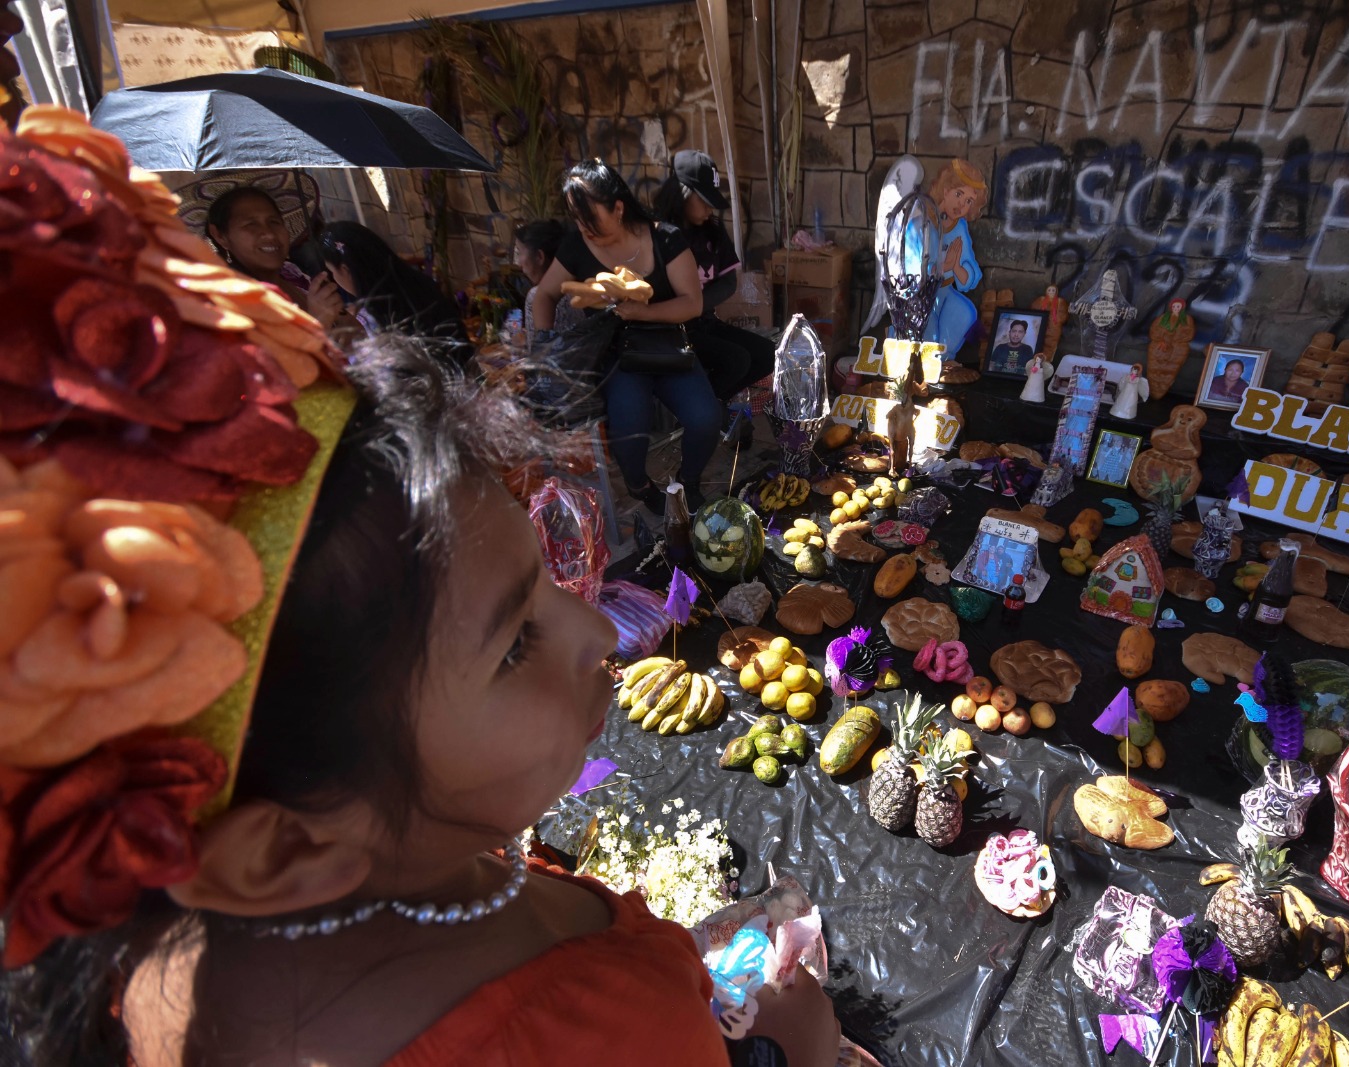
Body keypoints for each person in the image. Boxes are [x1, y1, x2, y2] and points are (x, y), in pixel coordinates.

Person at [2, 107, 847, 1067]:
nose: (600, 632)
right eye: (514, 640)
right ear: (282, 853)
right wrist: (802, 1048)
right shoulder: (610, 1013)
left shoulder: (149, 979)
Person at [530, 160, 721, 513]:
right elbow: (543, 295)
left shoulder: (665, 237)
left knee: (706, 418)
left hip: (667, 347)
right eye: (576, 218)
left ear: (618, 208)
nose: (584, 228)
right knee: (628, 431)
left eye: (591, 218)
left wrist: (643, 312)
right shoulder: (576, 246)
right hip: (618, 355)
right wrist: (543, 344)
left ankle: (689, 480)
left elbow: (692, 304)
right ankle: (640, 486)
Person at [654, 149, 775, 440]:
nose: (710, 208)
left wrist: (696, 305)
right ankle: (704, 411)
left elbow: (728, 282)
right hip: (669, 330)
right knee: (736, 360)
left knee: (766, 353)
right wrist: (683, 310)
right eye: (704, 200)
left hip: (703, 320)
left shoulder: (712, 231)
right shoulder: (658, 235)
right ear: (683, 193)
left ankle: (708, 405)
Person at [318, 220, 472, 365]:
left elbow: (372, 375)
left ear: (346, 270)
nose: (334, 278)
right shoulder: (420, 283)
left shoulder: (370, 317)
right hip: (463, 376)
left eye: (332, 271)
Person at [204, 185, 346, 331]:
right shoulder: (228, 301)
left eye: (274, 222)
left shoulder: (292, 274)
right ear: (220, 235)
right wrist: (319, 323)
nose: (269, 234)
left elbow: (353, 330)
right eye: (251, 224)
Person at [923, 160, 987, 355]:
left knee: (965, 312)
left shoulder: (959, 227)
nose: (962, 205)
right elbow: (910, 267)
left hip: (946, 291)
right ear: (944, 190)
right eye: (959, 194)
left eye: (968, 201)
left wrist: (957, 266)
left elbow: (969, 272)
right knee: (928, 338)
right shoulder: (922, 221)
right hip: (922, 297)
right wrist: (943, 266)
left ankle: (944, 363)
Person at [513, 219, 584, 336]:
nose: (518, 263)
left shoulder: (537, 296)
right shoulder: (577, 288)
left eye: (519, 253)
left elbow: (538, 350)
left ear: (539, 257)